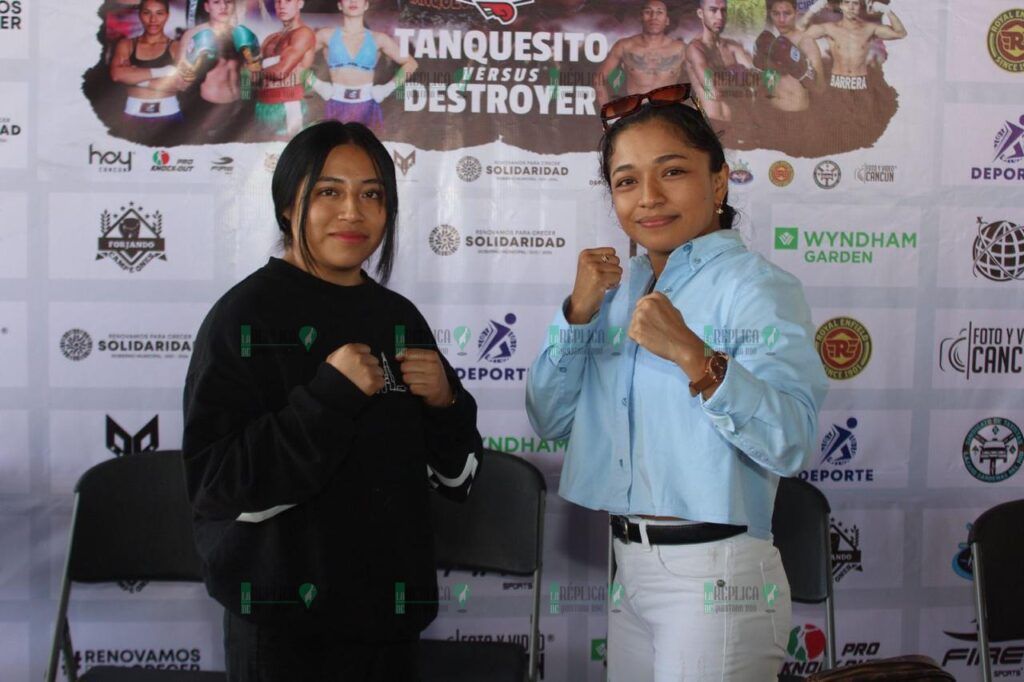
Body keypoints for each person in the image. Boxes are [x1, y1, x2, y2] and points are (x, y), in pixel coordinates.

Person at [525, 84, 828, 680]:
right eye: (626, 180)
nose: (649, 198)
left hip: (717, 576)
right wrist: (577, 315)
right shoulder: (618, 291)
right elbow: (548, 419)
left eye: (672, 172)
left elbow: (792, 440)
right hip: (629, 569)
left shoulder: (756, 287)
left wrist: (696, 357)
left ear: (719, 182)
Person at [182, 120, 482, 680]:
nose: (353, 211)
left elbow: (457, 479)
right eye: (329, 192)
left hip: (389, 625)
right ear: (288, 204)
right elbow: (216, 488)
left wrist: (447, 406)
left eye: (372, 194)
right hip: (284, 631)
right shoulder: (244, 318)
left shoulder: (399, 319)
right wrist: (328, 399)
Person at [797, 0, 906, 151]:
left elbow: (900, 33)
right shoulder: (830, 28)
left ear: (860, 6)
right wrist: (814, 8)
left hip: (861, 84)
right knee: (832, 132)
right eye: (847, 2)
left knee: (864, 135)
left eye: (855, 3)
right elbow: (799, 32)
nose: (851, 7)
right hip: (837, 84)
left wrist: (886, 10)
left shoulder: (869, 28)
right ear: (840, 6)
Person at [312, 0, 419, 134]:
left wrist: (387, 88)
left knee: (367, 151)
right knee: (334, 149)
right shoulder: (325, 35)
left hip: (367, 105)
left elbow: (411, 64)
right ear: (340, 5)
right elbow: (297, 62)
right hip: (336, 103)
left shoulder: (379, 38)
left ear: (366, 5)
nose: (353, 2)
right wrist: (317, 85)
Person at [177, 0, 262, 143]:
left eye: (228, 2)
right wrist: (194, 65)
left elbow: (252, 79)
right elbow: (180, 82)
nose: (223, 7)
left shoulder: (243, 35)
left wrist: (246, 104)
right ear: (207, 6)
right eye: (217, 2)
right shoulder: (193, 35)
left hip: (235, 107)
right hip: (203, 109)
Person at [753, 0, 827, 156]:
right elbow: (770, 83)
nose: (781, 19)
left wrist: (802, 70)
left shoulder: (806, 42)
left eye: (786, 13)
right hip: (771, 116)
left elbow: (820, 89)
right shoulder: (771, 43)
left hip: (796, 120)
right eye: (776, 14)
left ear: (796, 13)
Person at [108, 0, 183, 144]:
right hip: (133, 117)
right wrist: (165, 72)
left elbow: (180, 84)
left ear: (167, 15)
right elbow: (117, 75)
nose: (153, 19)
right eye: (147, 13)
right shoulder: (127, 44)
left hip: (169, 116)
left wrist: (135, 77)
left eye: (159, 13)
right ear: (140, 15)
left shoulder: (176, 47)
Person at [685, 0, 758, 147]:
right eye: (713, 10)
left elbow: (757, 81)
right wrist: (740, 76)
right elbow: (713, 91)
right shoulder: (695, 49)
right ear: (701, 13)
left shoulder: (732, 46)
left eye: (723, 11)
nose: (719, 16)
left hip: (740, 125)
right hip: (712, 125)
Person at [595, 1, 688, 107]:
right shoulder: (624, 46)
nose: (654, 17)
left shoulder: (681, 49)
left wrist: (696, 113)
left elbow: (703, 82)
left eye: (659, 12)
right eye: (648, 12)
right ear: (641, 17)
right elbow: (599, 79)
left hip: (668, 115)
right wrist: (607, 114)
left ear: (667, 20)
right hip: (635, 113)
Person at [254, 0, 316, 139]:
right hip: (263, 104)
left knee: (288, 153)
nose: (281, 5)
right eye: (278, 1)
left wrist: (255, 73)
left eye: (288, 1)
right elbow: (250, 75)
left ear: (300, 3)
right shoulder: (271, 38)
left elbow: (280, 72)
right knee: (263, 157)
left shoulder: (303, 33)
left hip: (289, 105)